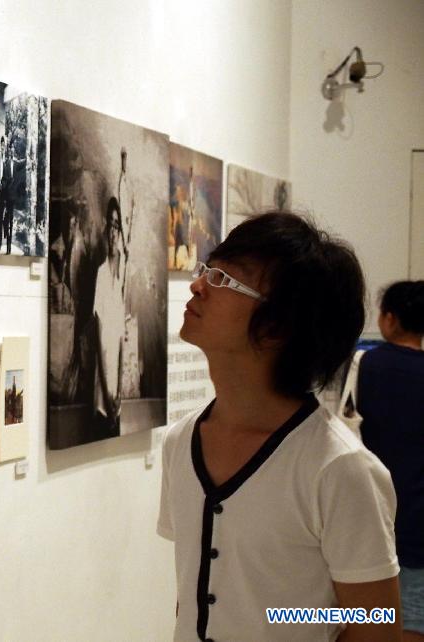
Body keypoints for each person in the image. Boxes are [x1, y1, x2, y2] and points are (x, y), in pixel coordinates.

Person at [157, 212, 401, 642]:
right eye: (206, 270)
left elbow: (375, 624)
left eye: (222, 279)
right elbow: (195, 592)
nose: (197, 285)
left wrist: (288, 618)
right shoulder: (181, 442)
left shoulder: (340, 469)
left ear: (277, 326)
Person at [358, 280, 424, 642]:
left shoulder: (365, 365)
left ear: (389, 319)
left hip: (370, 515)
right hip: (419, 525)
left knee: (363, 619)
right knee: (413, 621)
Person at [91, 198, 126, 438]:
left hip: (117, 397)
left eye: (117, 226)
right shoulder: (101, 275)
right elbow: (98, 342)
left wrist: (120, 390)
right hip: (103, 397)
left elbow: (121, 341)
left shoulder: (120, 279)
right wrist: (107, 393)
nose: (114, 232)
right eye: (110, 226)